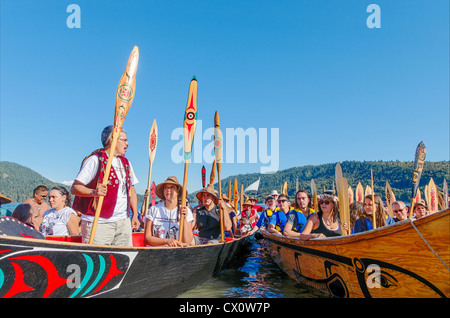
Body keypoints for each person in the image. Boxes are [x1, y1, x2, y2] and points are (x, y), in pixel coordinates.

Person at [71, 125, 140, 246]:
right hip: (99, 224)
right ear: (112, 140)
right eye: (124, 140)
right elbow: (75, 188)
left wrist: (134, 214)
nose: (127, 144)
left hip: (123, 222)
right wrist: (93, 192)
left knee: (123, 262)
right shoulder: (95, 160)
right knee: (98, 262)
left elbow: (131, 191)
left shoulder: (126, 162)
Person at [144, 176, 194, 247]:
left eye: (172, 187)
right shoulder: (154, 209)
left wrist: (184, 219)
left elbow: (188, 242)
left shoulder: (185, 211)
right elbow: (147, 238)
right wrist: (166, 241)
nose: (168, 190)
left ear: (177, 192)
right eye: (166, 187)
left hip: (176, 252)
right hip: (156, 252)